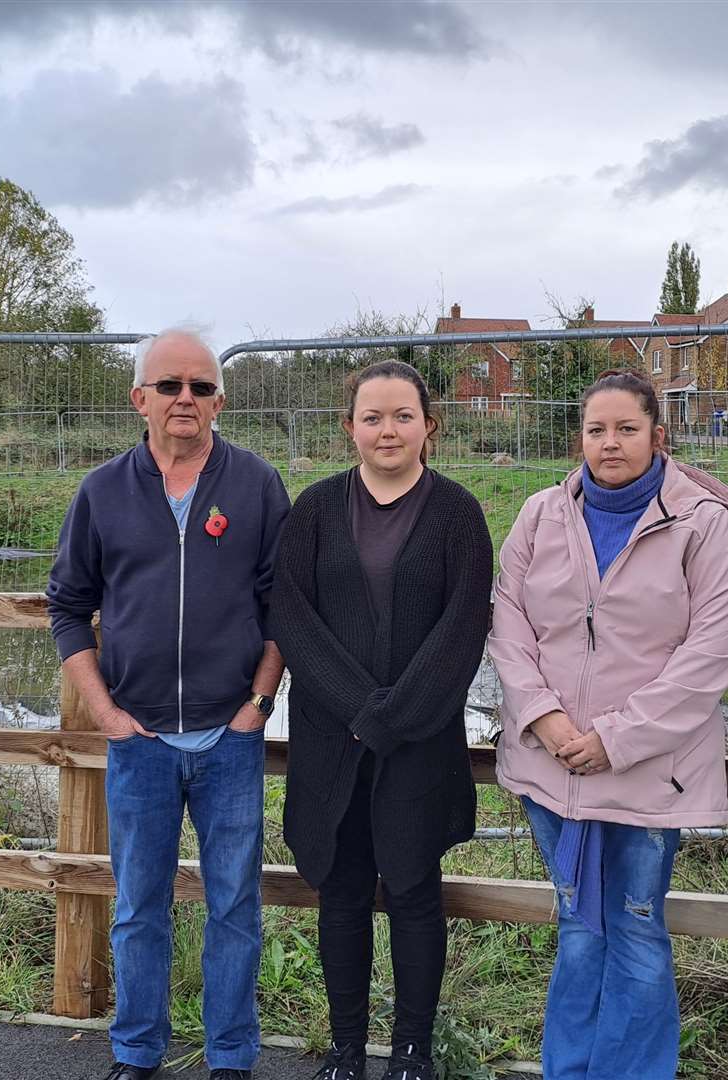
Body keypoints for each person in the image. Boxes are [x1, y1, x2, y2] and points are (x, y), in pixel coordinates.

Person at [489, 369, 728, 1080]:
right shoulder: (541, 516)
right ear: (580, 437)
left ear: (658, 436)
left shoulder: (702, 526)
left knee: (635, 930)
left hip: (644, 774)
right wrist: (543, 718)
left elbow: (713, 651)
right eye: (597, 430)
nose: (611, 443)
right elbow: (508, 621)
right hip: (553, 764)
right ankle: (568, 1070)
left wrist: (616, 738)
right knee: (577, 932)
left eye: (627, 429)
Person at [47, 328, 290, 1080]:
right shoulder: (102, 493)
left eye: (202, 387)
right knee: (137, 909)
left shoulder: (255, 484)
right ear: (139, 400)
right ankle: (137, 1051)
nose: (186, 399)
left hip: (230, 736)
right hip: (140, 741)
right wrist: (105, 713)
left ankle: (230, 1058)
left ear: (221, 400)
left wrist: (260, 700)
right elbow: (67, 608)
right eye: (170, 386)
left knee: (234, 911)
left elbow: (283, 604)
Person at [271, 360, 493, 1080]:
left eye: (403, 415)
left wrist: (394, 719)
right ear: (350, 429)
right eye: (372, 417)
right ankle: (344, 1050)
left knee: (413, 890)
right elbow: (292, 619)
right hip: (331, 742)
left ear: (430, 425)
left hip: (418, 745)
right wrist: (361, 711)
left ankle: (410, 1050)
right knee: (339, 893)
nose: (388, 429)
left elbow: (463, 627)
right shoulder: (312, 511)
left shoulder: (458, 515)